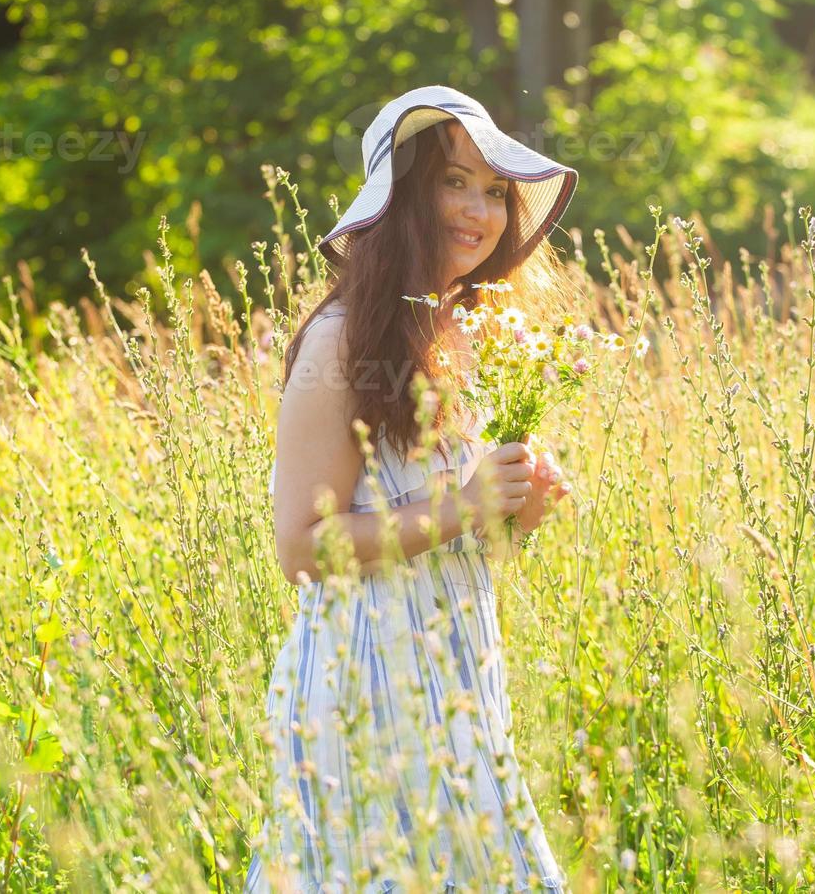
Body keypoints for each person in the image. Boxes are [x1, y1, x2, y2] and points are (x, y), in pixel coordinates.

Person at [245, 85, 580, 892]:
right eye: (452, 182)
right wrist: (462, 505)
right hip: (362, 685)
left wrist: (516, 511)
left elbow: (466, 535)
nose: (479, 210)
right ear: (400, 198)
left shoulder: (470, 335)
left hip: (461, 677)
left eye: (494, 191)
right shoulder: (338, 342)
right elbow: (302, 548)